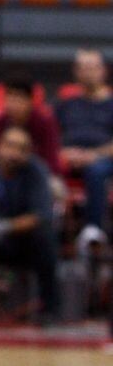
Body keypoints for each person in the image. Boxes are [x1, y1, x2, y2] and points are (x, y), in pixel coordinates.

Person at [0, 126, 60, 323]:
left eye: (20, 148)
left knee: (46, 239)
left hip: (21, 240)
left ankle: (49, 309)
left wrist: (5, 227)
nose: (13, 153)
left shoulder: (36, 172)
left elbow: (40, 215)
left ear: (28, 153)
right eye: (9, 145)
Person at [56, 48, 113, 251]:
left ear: (103, 70)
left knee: (96, 170)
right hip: (67, 159)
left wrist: (93, 155)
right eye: (83, 68)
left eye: (92, 67)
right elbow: (51, 136)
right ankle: (53, 234)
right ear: (76, 72)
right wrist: (63, 153)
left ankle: (93, 230)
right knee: (43, 168)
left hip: (104, 160)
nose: (88, 72)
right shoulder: (66, 105)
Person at [0, 77, 62, 174]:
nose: (13, 104)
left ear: (30, 101)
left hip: (36, 177)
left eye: (19, 99)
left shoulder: (45, 123)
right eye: (10, 98)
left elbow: (51, 161)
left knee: (56, 186)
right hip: (0, 177)